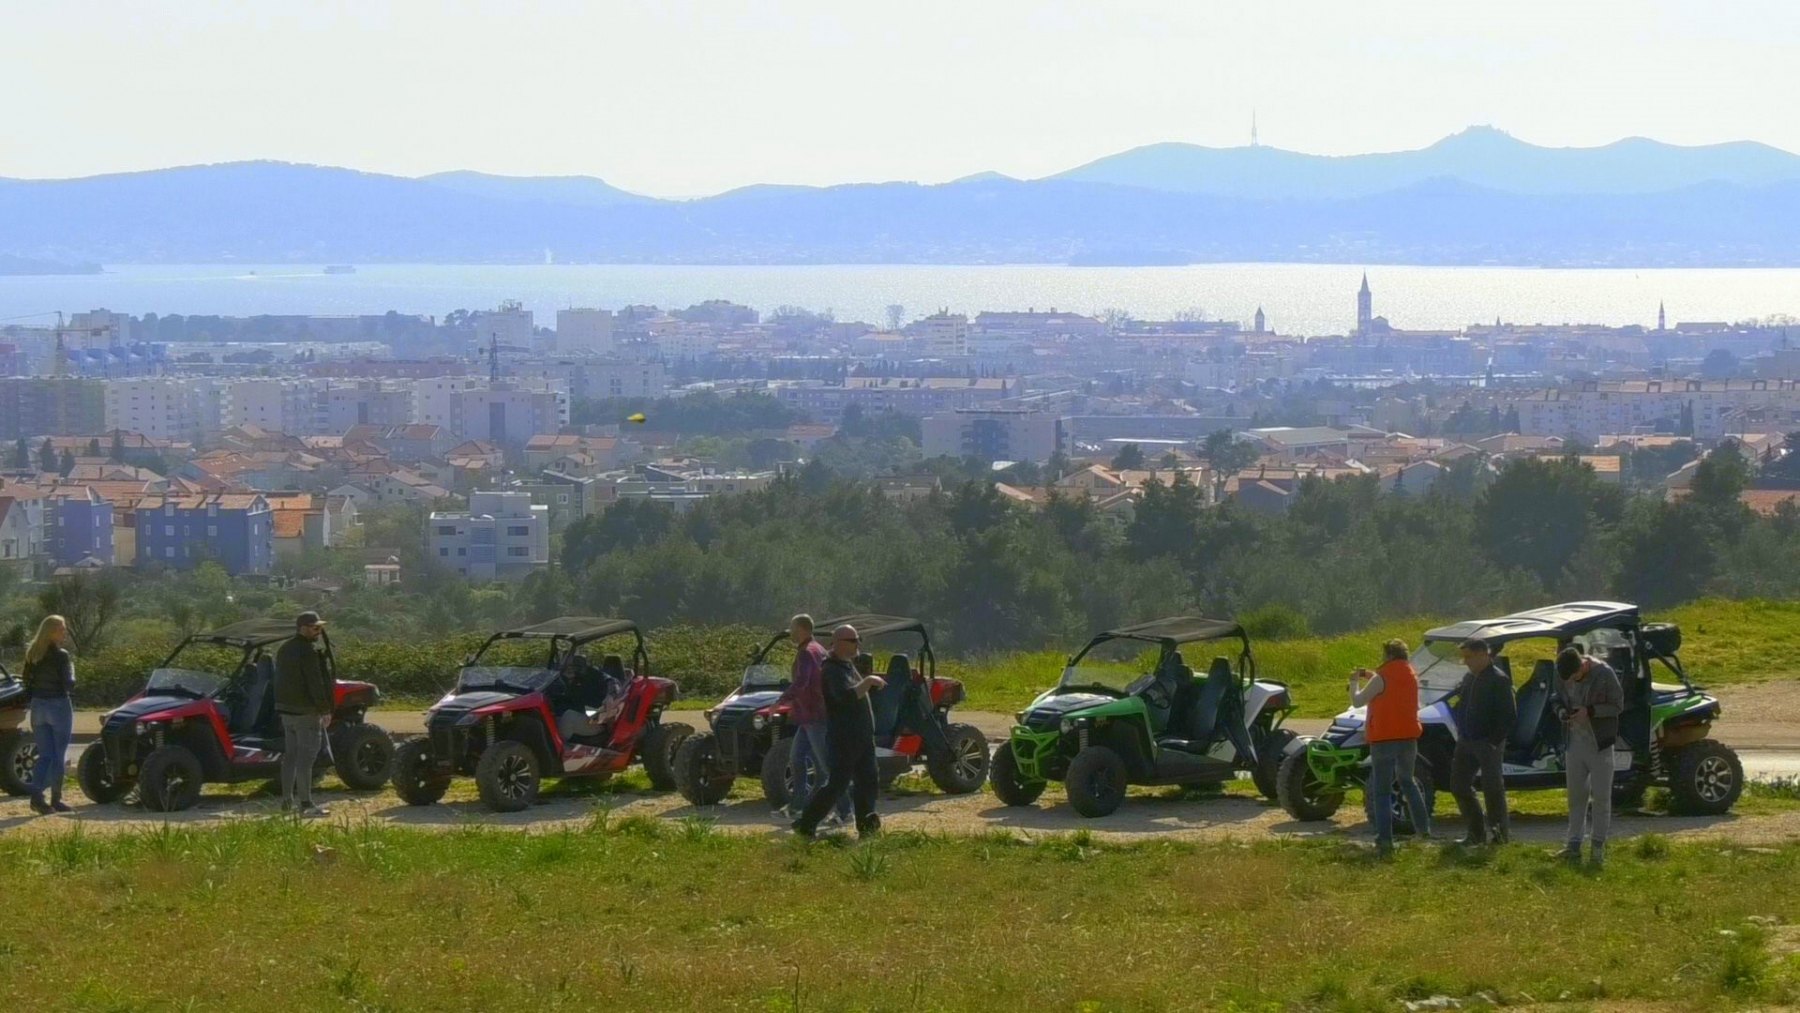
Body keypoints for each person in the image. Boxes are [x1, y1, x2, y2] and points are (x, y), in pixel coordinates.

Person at [792, 624, 885, 838]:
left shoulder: (846, 665)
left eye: (858, 639)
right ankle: (806, 824)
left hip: (862, 738)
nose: (857, 644)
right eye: (852, 640)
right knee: (837, 784)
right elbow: (845, 697)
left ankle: (866, 826)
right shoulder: (831, 670)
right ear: (837, 643)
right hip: (844, 738)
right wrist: (869, 681)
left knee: (868, 780)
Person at [1350, 638, 1431, 855]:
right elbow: (1391, 687)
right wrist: (1370, 675)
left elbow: (1358, 701)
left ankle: (1385, 839)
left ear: (1389, 655)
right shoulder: (1411, 674)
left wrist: (1354, 682)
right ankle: (1423, 831)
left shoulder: (1382, 677)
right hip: (1408, 737)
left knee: (1382, 791)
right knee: (1408, 781)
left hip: (1384, 738)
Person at [776, 614, 850, 825]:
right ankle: (798, 805)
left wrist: (781, 701)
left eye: (792, 628)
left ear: (801, 629)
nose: (790, 632)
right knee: (797, 757)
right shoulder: (819, 649)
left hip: (815, 717)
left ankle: (845, 812)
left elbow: (802, 682)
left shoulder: (807, 652)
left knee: (827, 766)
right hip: (809, 717)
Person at [1555, 646, 1624, 868]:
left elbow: (1617, 705)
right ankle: (1573, 845)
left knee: (1601, 798)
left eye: (1575, 677)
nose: (1572, 682)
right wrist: (1561, 712)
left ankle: (1597, 848)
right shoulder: (1563, 674)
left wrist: (1590, 711)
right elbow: (1556, 698)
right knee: (1576, 797)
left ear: (1583, 666)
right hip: (1574, 744)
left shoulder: (1604, 673)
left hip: (1599, 745)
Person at [1448, 638, 1516, 846]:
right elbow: (1461, 704)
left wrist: (1494, 741)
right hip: (1466, 740)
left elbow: (1509, 715)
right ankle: (1476, 833)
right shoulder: (1469, 678)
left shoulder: (1499, 680)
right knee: (1459, 785)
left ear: (1482, 655)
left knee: (1492, 789)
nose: (1466, 662)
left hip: (1488, 742)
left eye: (1468, 657)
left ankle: (1499, 835)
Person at [273, 611, 334, 816]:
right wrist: (325, 709)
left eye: (320, 627)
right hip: (306, 713)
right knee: (306, 759)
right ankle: (306, 804)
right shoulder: (307, 651)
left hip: (287, 713)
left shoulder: (284, 649)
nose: (319, 631)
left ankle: (286, 801)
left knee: (290, 757)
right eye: (315, 627)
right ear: (303, 628)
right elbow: (314, 682)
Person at [22, 615, 75, 815]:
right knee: (58, 755)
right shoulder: (61, 655)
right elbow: (68, 684)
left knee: (45, 755)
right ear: (52, 632)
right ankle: (56, 799)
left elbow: (26, 681)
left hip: (38, 705)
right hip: (58, 704)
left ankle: (37, 797)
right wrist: (73, 672)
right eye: (61, 629)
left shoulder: (32, 653)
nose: (64, 633)